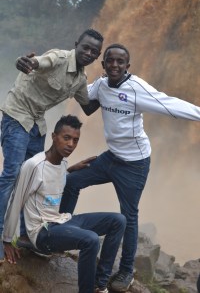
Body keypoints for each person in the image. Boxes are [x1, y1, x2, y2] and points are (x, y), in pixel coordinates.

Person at [60, 43, 200, 292]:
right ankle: (61, 232)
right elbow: (80, 93)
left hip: (134, 164)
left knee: (129, 216)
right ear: (103, 65)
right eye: (110, 61)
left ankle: (126, 272)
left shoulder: (137, 88)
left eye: (120, 62)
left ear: (127, 66)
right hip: (111, 158)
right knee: (72, 181)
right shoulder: (101, 85)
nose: (114, 65)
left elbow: (170, 105)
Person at [0, 28, 104, 262]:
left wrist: (110, 88)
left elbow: (87, 107)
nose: (88, 53)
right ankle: (1, 238)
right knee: (12, 175)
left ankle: (27, 236)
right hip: (17, 115)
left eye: (94, 52)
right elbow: (34, 62)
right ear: (76, 44)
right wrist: (24, 61)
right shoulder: (58, 57)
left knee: (38, 176)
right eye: (85, 47)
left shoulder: (80, 80)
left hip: (37, 122)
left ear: (97, 57)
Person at [3, 115, 126, 293]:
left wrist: (68, 170)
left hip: (62, 221)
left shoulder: (62, 164)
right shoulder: (33, 165)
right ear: (54, 137)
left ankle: (100, 285)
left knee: (118, 220)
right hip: (43, 233)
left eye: (75, 140)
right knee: (90, 239)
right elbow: (16, 201)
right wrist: (7, 240)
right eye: (66, 138)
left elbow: (51, 181)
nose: (71, 144)